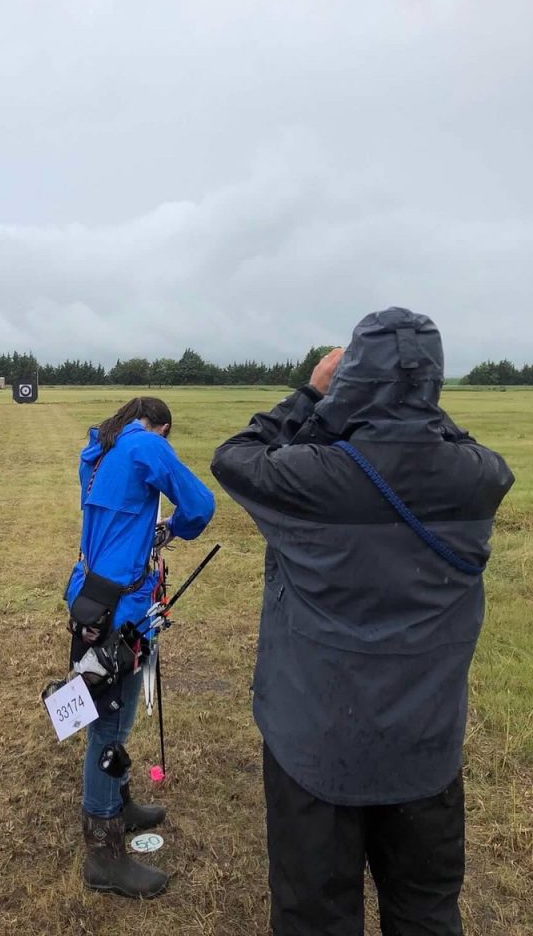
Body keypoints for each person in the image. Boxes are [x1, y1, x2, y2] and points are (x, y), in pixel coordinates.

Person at [210, 308, 514, 936]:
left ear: (353, 378)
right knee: (426, 911)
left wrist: (318, 396)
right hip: (425, 747)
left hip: (315, 746)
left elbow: (236, 455)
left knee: (315, 916)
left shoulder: (311, 475)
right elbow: (451, 442)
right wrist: (410, 388)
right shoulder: (480, 479)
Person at [65, 396, 215, 898]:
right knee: (109, 723)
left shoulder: (98, 449)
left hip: (92, 595)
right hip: (120, 610)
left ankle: (121, 801)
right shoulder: (148, 446)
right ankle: (103, 856)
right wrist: (176, 527)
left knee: (114, 715)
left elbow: (115, 523)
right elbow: (199, 505)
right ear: (162, 428)